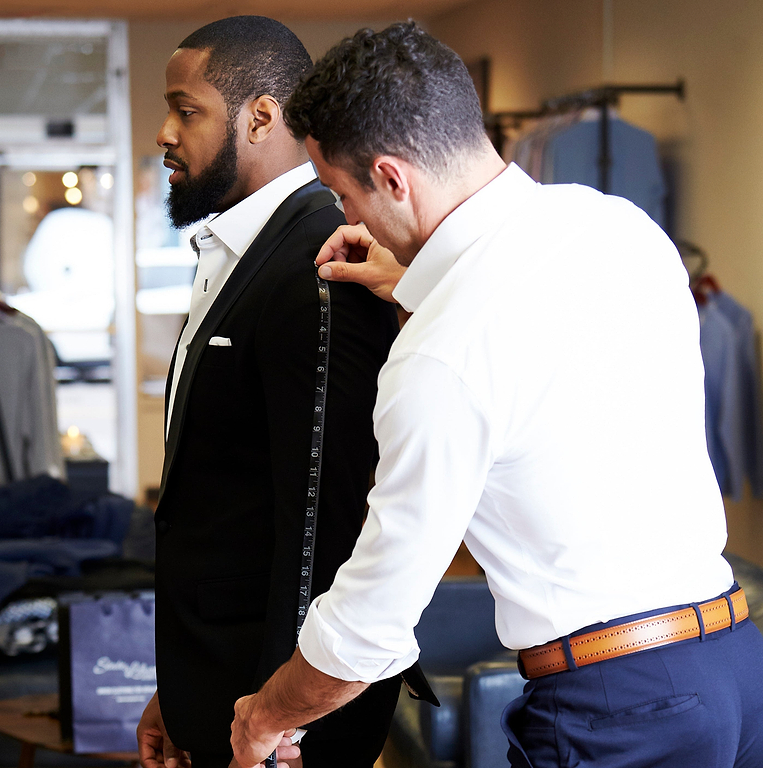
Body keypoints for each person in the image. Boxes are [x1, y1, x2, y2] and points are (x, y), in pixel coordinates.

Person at [228, 21, 763, 768]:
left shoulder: (439, 355)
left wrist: (263, 715)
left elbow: (371, 622)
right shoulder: (621, 229)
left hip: (621, 710)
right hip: (737, 665)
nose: (348, 219)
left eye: (344, 194)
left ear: (392, 178)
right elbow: (544, 369)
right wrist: (420, 284)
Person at [135, 16, 401, 768]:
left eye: (186, 111)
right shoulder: (236, 249)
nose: (164, 132)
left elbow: (325, 526)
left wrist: (285, 720)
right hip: (220, 696)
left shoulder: (317, 261)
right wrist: (179, 686)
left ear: (260, 117)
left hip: (275, 730)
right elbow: (222, 509)